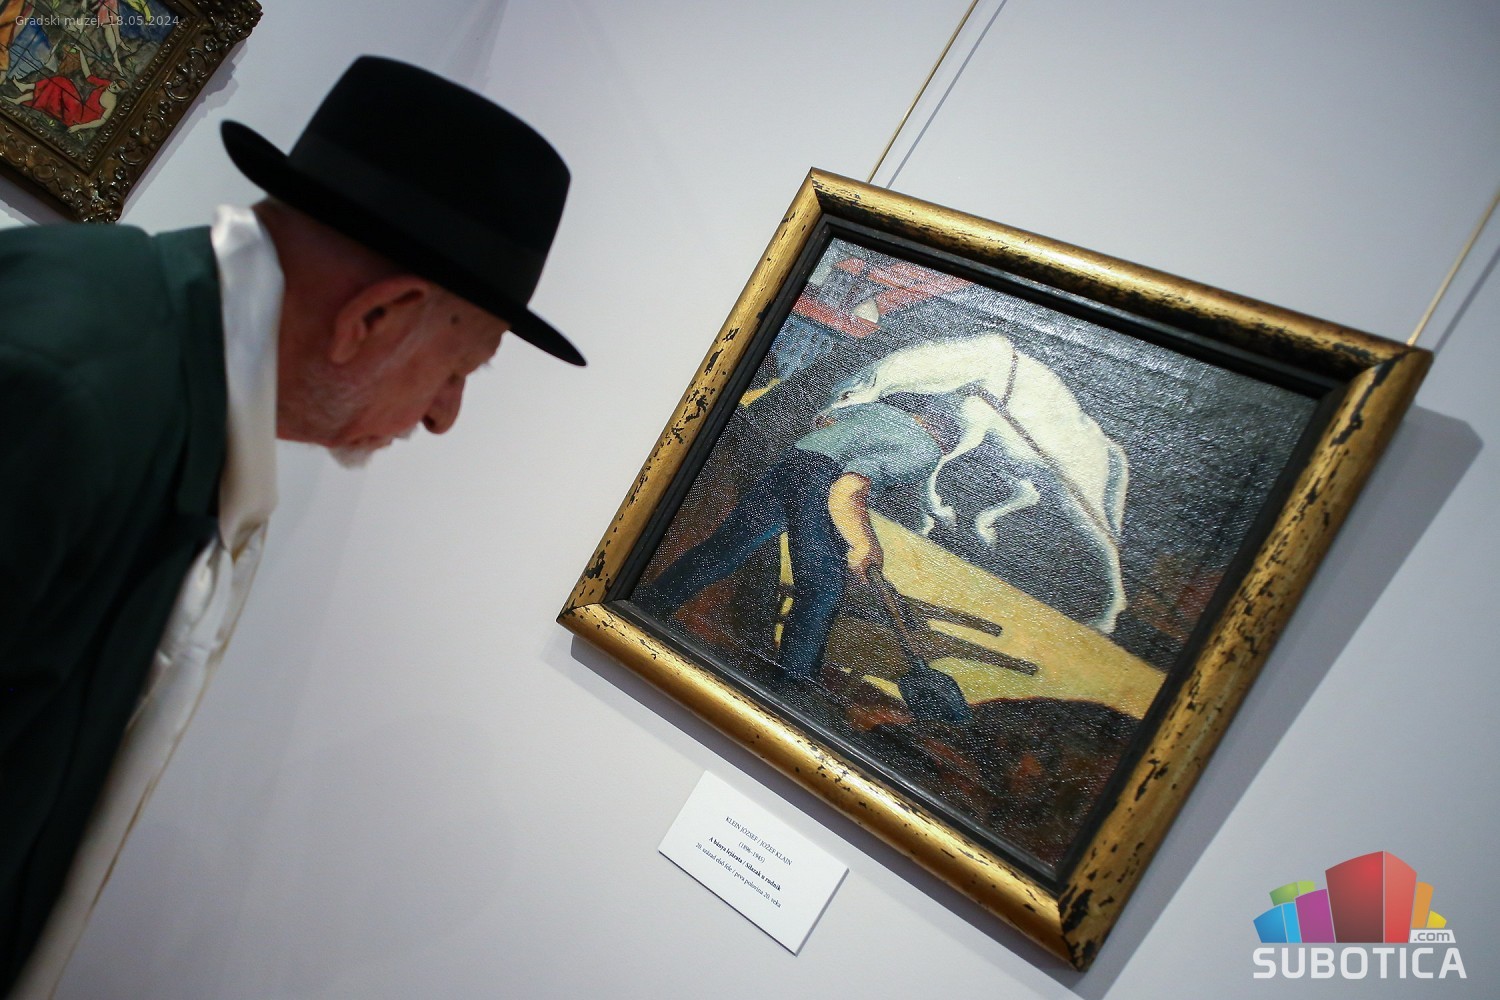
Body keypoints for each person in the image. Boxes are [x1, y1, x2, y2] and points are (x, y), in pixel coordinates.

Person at [0, 55, 584, 994]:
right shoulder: (64, 386)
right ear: (377, 315)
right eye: (457, 371)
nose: (444, 415)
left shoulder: (176, 389)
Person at [636, 401, 948, 683]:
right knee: (821, 588)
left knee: (724, 549)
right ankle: (794, 679)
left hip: (795, 462)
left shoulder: (881, 411)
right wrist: (864, 544)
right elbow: (847, 489)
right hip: (823, 481)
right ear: (946, 439)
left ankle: (649, 604)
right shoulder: (927, 452)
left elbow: (825, 421)